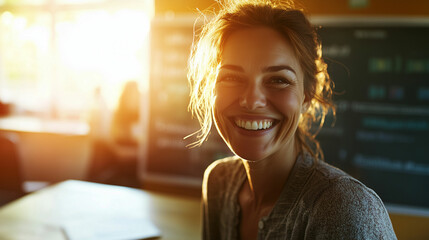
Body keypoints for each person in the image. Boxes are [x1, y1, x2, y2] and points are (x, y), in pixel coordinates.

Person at [187, 0, 397, 239]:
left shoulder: (344, 209)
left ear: (307, 96)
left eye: (278, 80)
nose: (251, 100)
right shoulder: (219, 183)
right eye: (232, 78)